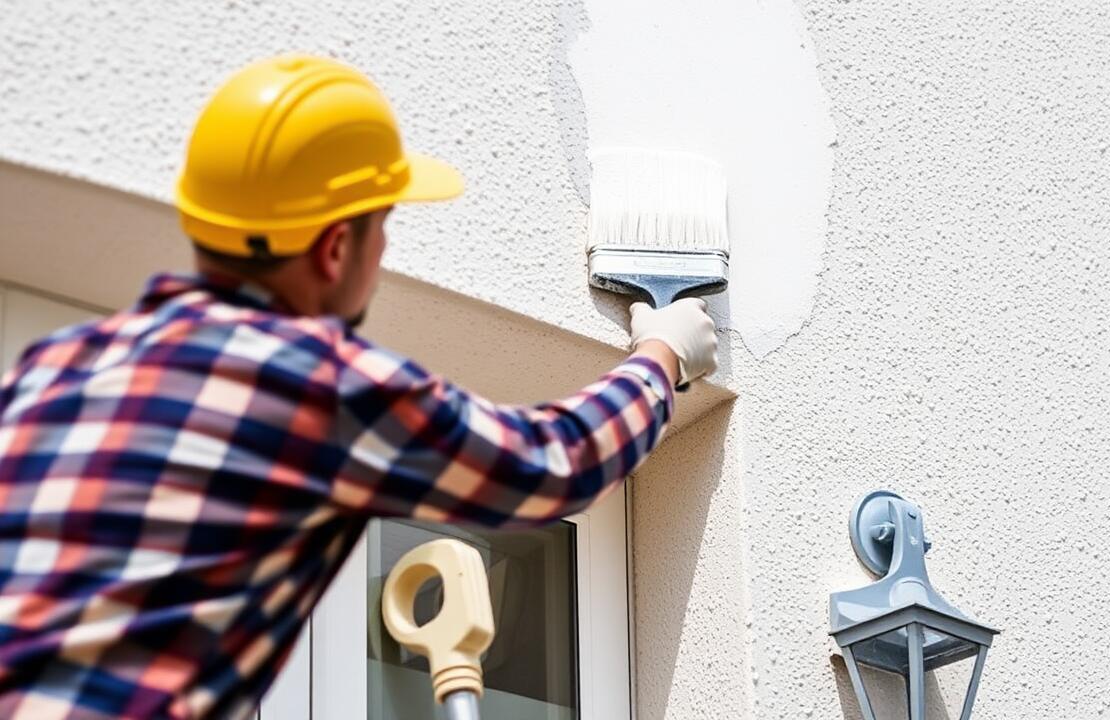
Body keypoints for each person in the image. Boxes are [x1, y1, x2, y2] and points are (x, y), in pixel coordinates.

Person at [0, 55, 718, 719]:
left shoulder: (53, 368)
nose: (382, 250)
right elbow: (550, 463)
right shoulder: (310, 382)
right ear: (336, 246)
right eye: (383, 226)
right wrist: (660, 358)